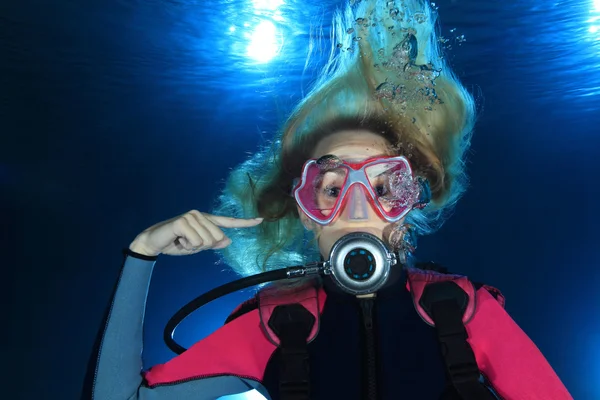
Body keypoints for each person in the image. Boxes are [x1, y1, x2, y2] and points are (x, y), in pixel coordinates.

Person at [83, 0, 573, 399]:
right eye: (332, 189)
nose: (357, 208)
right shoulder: (273, 324)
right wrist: (142, 254)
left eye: (384, 187)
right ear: (305, 211)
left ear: (410, 206)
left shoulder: (464, 311)